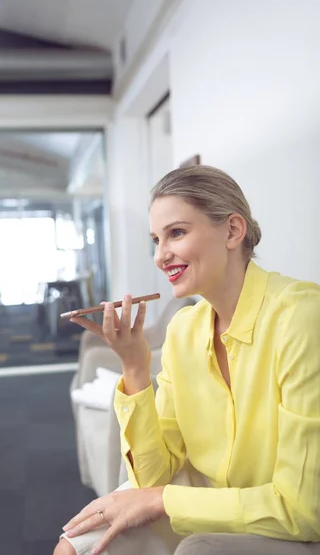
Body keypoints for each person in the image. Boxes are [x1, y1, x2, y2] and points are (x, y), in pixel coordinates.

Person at [53, 165, 320, 555]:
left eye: (176, 233)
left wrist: (164, 499)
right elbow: (153, 475)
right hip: (214, 503)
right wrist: (135, 367)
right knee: (74, 547)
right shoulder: (185, 329)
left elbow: (302, 508)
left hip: (291, 523)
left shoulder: (301, 317)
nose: (161, 256)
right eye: (156, 240)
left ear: (232, 231)